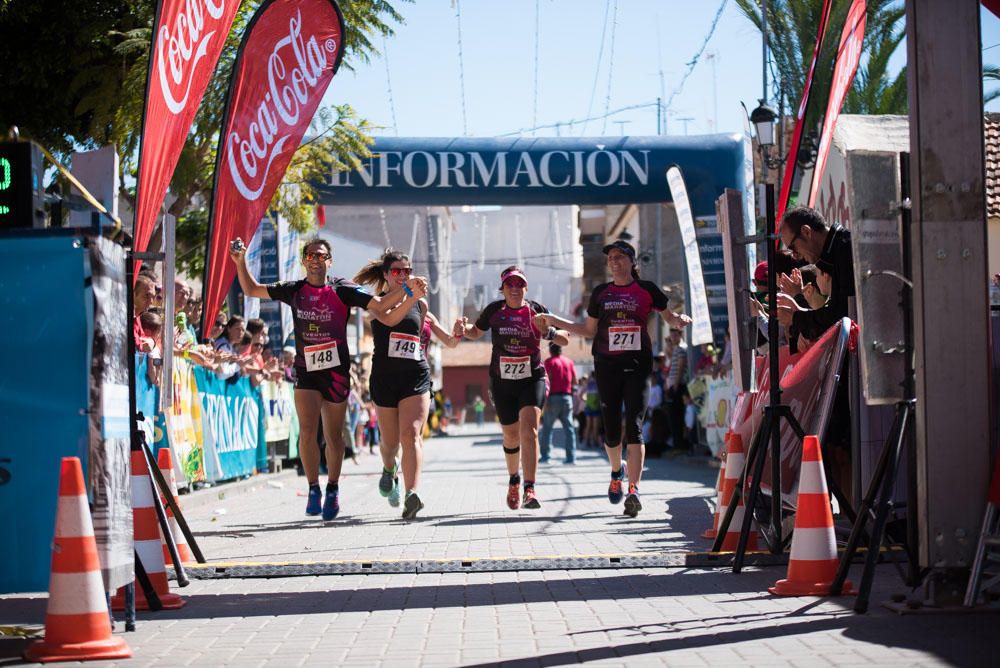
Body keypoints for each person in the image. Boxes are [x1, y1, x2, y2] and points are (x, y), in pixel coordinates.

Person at [229, 236, 427, 522]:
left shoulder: (342, 289)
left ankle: (332, 488)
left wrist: (408, 290)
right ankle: (313, 488)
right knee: (308, 431)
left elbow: (380, 306)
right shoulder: (294, 290)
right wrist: (240, 261)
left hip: (335, 373)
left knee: (333, 436)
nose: (315, 259)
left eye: (321, 255)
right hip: (307, 371)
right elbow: (249, 288)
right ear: (303, 260)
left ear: (329, 261)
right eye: (310, 255)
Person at [537, 240, 691, 518]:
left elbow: (669, 317)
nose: (614, 262)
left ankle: (633, 490)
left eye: (620, 257)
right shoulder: (601, 293)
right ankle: (616, 472)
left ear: (632, 262)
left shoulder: (647, 290)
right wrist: (553, 320)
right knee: (610, 431)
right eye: (611, 258)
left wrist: (679, 320)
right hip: (607, 366)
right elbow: (587, 330)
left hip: (638, 365)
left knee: (634, 426)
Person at [453, 266, 569, 510]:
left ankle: (530, 488)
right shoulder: (494, 310)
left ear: (526, 288)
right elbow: (477, 332)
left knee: (530, 431)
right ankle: (514, 479)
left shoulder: (537, 310)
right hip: (502, 382)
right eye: (510, 285)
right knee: (511, 434)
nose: (515, 289)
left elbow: (565, 337)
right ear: (503, 289)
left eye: (519, 285)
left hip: (532, 378)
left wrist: (546, 331)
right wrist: (464, 331)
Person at [354, 248, 458, 519]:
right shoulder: (376, 302)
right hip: (385, 378)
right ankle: (390, 469)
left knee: (411, 435)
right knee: (389, 444)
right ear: (387, 275)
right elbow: (390, 318)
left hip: (416, 375)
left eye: (407, 272)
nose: (403, 276)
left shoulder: (421, 305)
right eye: (398, 272)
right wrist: (410, 293)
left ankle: (412, 494)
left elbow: (449, 342)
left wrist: (459, 331)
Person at [538, 343, 578, 464]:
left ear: (551, 350)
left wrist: (545, 400)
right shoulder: (569, 362)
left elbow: (545, 381)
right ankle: (571, 458)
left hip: (553, 398)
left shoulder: (549, 362)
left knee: (547, 429)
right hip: (567, 398)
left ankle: (546, 457)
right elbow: (575, 381)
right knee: (569, 429)